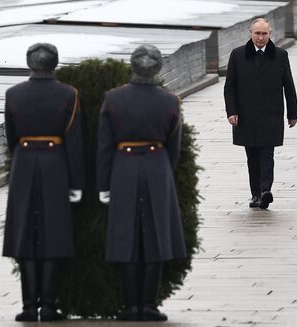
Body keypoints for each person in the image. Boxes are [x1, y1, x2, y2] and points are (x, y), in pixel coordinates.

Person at [96, 44, 187, 321]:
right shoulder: (169, 101)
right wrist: (162, 170)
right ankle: (148, 305)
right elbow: (174, 146)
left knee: (127, 237)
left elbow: (104, 147)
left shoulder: (113, 99)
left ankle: (130, 306)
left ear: (132, 66)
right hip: (157, 166)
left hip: (123, 168)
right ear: (158, 68)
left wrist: (104, 184)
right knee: (156, 237)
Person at [3, 43, 85, 322]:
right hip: (55, 165)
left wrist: (23, 160)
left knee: (25, 236)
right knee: (53, 236)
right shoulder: (68, 94)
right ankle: (48, 306)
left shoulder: (13, 94)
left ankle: (28, 307)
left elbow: (11, 138)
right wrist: (76, 183)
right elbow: (73, 142)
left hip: (24, 164)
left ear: (30, 64)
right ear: (55, 64)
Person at [224, 17, 297, 209]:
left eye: (264, 33)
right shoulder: (238, 55)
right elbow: (230, 87)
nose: (260, 37)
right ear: (250, 34)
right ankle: (255, 194)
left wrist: (293, 112)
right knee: (252, 157)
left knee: (267, 154)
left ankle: (266, 190)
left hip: (271, 114)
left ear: (270, 34)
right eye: (257, 33)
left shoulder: (280, 55)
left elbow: (289, 86)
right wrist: (231, 111)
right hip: (246, 115)